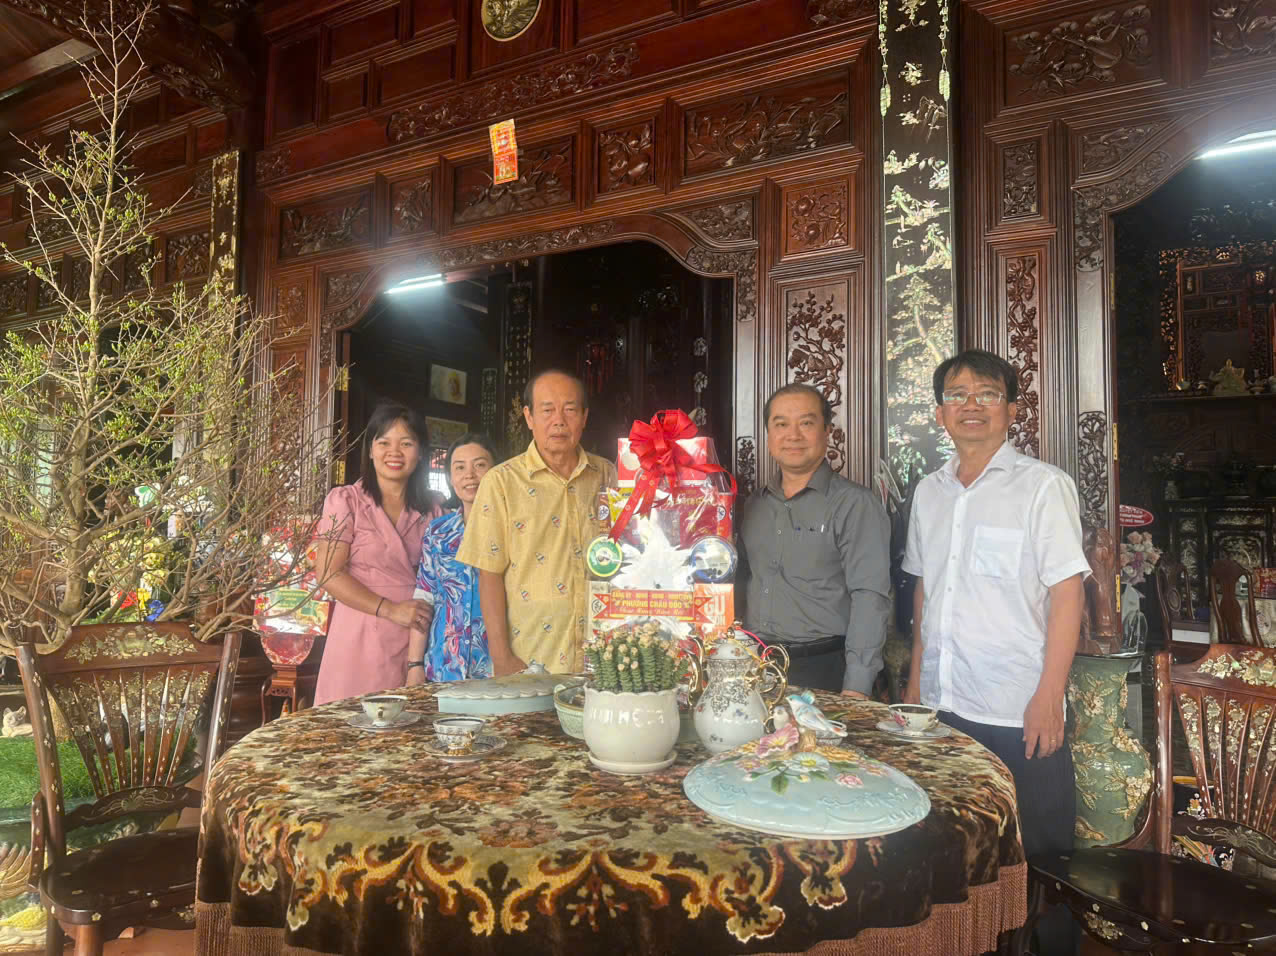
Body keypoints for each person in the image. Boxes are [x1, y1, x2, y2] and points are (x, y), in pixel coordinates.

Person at [902, 349, 1088, 956]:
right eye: (957, 395)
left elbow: (1067, 594)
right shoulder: (928, 493)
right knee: (957, 856)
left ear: (1011, 409)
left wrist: (1049, 696)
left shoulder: (1042, 487)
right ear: (940, 413)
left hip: (1017, 709)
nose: (972, 405)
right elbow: (926, 592)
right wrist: (915, 687)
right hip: (944, 708)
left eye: (987, 394)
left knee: (1044, 863)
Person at [456, 370, 616, 675]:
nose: (559, 421)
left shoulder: (607, 475)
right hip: (530, 657)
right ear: (528, 417)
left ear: (584, 417)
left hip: (603, 656)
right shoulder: (501, 482)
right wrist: (501, 657)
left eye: (570, 410)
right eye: (547, 410)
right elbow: (489, 574)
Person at [738, 383, 891, 695]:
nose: (793, 435)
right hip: (755, 665)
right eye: (781, 424)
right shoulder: (754, 505)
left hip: (824, 667)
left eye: (806, 423)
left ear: (827, 431)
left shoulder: (854, 504)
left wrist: (857, 686)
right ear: (768, 435)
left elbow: (870, 597)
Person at [312, 403, 441, 704]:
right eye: (384, 443)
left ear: (421, 452)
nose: (394, 452)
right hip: (358, 637)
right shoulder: (345, 501)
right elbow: (328, 573)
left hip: (416, 639)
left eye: (406, 443)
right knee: (351, 724)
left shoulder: (434, 511)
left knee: (407, 727)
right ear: (370, 450)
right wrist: (390, 610)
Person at [408, 433, 499, 683]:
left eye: (480, 465)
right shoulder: (438, 532)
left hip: (496, 670)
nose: (469, 475)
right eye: (459, 468)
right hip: (443, 668)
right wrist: (414, 665)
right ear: (449, 477)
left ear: (497, 472)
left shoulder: (512, 529)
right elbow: (425, 598)